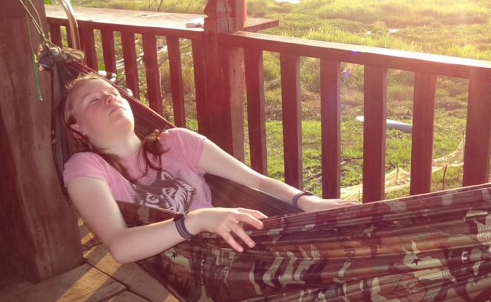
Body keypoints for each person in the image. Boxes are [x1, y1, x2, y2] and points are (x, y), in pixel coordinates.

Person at [60, 74, 354, 264]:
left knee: (343, 241)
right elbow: (120, 246)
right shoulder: (86, 167)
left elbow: (254, 181)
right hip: (190, 267)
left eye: (113, 92)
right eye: (93, 100)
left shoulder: (177, 142)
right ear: (77, 128)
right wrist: (197, 220)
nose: (110, 98)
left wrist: (308, 202)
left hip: (236, 252)